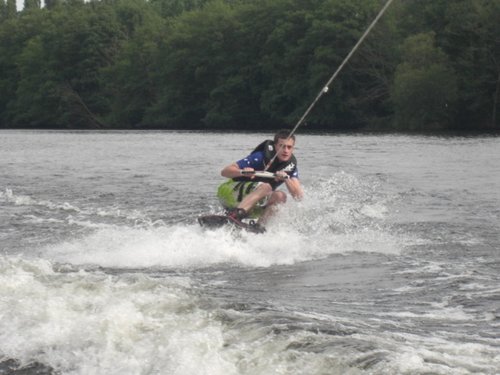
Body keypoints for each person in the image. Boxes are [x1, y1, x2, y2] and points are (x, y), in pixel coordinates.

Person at [218, 129, 303, 230]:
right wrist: (243, 172)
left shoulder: (290, 167)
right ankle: (235, 215)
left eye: (289, 147)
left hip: (253, 206)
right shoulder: (260, 157)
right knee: (267, 187)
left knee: (281, 196)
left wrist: (286, 179)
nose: (286, 150)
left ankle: (258, 227)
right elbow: (224, 172)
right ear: (275, 146)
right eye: (282, 146)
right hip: (229, 193)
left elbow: (298, 197)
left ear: (293, 148)